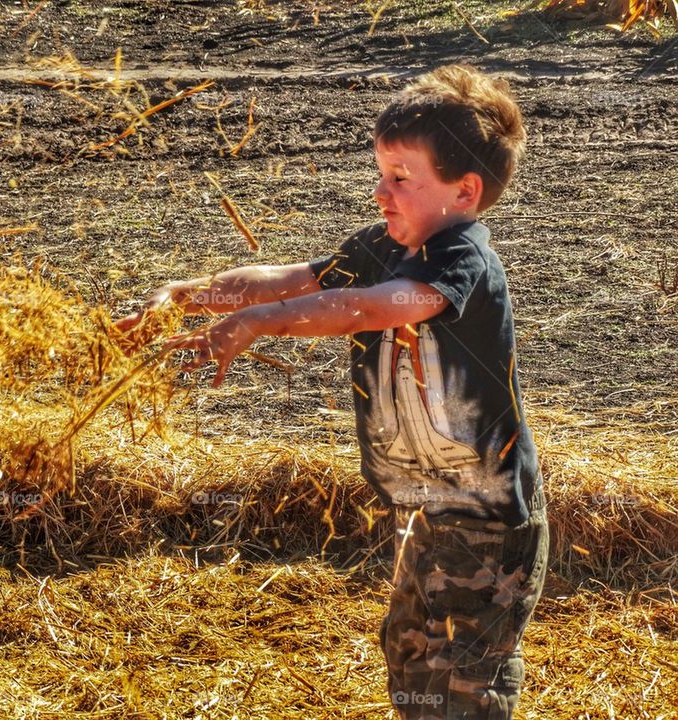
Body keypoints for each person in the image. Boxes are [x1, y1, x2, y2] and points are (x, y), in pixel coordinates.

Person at [117, 64, 549, 720]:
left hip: (487, 528)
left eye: (402, 179)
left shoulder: (463, 263)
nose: (382, 192)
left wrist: (260, 325)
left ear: (463, 193)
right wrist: (186, 298)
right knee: (409, 657)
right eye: (381, 173)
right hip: (427, 515)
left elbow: (365, 310)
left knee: (462, 686)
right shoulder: (382, 247)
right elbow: (283, 281)